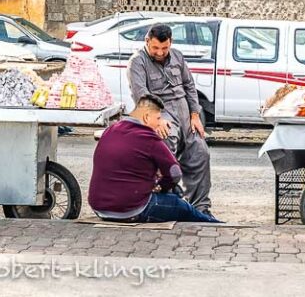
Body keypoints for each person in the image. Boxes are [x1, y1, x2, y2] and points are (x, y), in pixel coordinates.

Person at [89, 94, 220, 223]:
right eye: (158, 119)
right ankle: (214, 224)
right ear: (146, 117)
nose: (160, 124)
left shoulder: (110, 130)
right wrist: (162, 187)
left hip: (99, 207)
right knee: (183, 207)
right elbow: (175, 173)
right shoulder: (149, 137)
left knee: (174, 192)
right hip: (131, 210)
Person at [127, 24, 213, 214]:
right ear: (147, 41)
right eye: (156, 48)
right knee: (166, 145)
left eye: (164, 48)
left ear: (170, 43)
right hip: (161, 113)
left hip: (185, 113)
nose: (160, 52)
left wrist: (195, 115)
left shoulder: (177, 56)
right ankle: (169, 201)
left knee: (201, 153)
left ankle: (201, 208)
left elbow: (190, 86)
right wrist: (156, 120)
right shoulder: (137, 62)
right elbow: (141, 96)